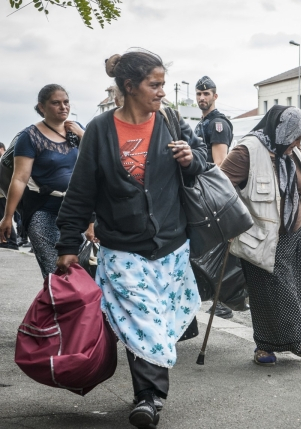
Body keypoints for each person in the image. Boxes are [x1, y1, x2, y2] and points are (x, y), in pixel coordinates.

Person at [55, 49, 207, 429]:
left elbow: (203, 162)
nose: (161, 92)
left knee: (159, 322)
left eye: (163, 84)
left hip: (172, 245)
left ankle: (148, 390)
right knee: (144, 322)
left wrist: (190, 158)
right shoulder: (100, 131)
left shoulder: (171, 120)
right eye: (154, 85)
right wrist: (68, 245)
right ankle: (149, 397)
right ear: (129, 86)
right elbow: (81, 192)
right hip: (123, 247)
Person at [220, 105, 301, 366]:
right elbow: (219, 189)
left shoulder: (291, 150)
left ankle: (296, 339)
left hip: (295, 232)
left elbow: (300, 185)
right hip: (262, 234)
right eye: (296, 137)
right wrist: (234, 223)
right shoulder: (247, 151)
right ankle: (265, 346)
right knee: (270, 293)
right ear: (281, 130)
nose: (298, 143)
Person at [0, 85, 84, 276]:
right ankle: (58, 305)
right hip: (42, 210)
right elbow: (20, 178)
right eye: (56, 103)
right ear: (42, 107)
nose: (63, 107)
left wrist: (82, 135)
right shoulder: (29, 136)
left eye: (66, 102)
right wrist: (8, 216)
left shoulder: (78, 131)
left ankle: (72, 306)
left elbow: (98, 162)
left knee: (78, 270)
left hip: (74, 211)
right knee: (55, 272)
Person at [194, 76, 235, 319]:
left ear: (215, 96)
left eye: (206, 94)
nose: (202, 98)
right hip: (202, 192)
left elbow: (219, 163)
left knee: (218, 250)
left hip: (211, 195)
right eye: (199, 94)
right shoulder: (203, 123)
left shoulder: (217, 123)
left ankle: (224, 301)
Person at [0, 143, 19, 250]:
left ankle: (12, 242)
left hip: (4, 195)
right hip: (2, 194)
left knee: (6, 219)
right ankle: (5, 241)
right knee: (3, 219)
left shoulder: (6, 159)